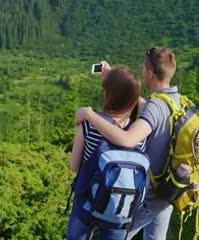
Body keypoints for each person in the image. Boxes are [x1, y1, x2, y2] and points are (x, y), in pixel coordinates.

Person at [74, 47, 179, 240]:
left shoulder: (155, 106)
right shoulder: (175, 100)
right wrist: (114, 78)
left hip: (147, 192)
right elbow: (139, 104)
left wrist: (89, 115)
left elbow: (127, 139)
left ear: (149, 73)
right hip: (170, 187)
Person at [67, 66, 146, 240]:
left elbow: (74, 167)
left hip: (86, 205)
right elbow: (144, 105)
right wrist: (126, 86)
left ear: (106, 94)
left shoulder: (88, 125)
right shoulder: (139, 134)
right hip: (119, 211)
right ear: (134, 99)